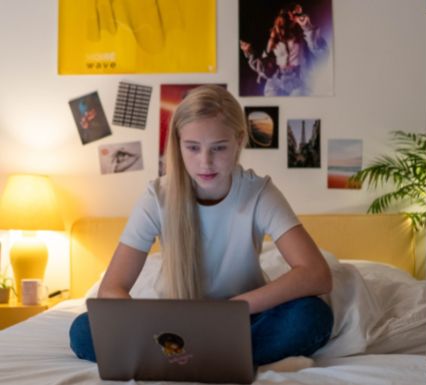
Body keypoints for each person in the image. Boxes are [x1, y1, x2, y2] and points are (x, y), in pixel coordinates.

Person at [68, 85, 334, 370]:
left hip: (244, 318)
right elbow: (111, 289)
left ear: (239, 141)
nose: (205, 162)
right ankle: (220, 358)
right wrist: (146, 325)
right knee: (83, 330)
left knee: (313, 316)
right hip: (170, 327)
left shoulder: (259, 193)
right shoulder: (156, 198)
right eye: (193, 148)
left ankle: (183, 360)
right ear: (178, 144)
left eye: (219, 147)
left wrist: (233, 308)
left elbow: (316, 273)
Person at [241, 2, 327, 96]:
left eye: (297, 13)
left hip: (300, 81)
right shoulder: (274, 39)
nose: (293, 16)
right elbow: (264, 70)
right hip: (277, 82)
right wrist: (250, 53)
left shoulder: (304, 35)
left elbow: (322, 53)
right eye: (292, 12)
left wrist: (308, 27)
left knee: (298, 100)